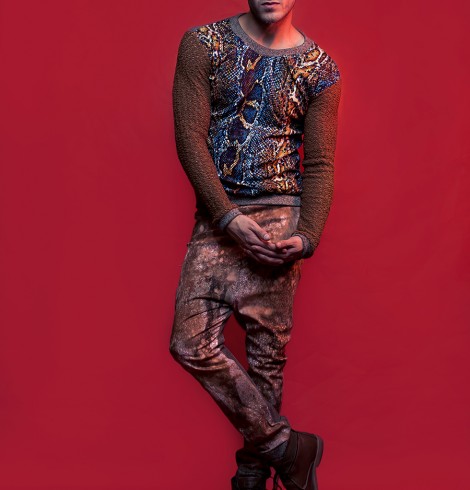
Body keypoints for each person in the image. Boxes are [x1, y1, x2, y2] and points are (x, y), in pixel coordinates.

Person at [170, 1, 342, 488]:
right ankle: (288, 448)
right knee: (190, 343)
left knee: (267, 357)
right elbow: (190, 138)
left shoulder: (320, 69)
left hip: (281, 219)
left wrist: (306, 236)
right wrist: (226, 217)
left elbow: (320, 164)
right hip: (219, 217)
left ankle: (251, 475)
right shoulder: (203, 44)